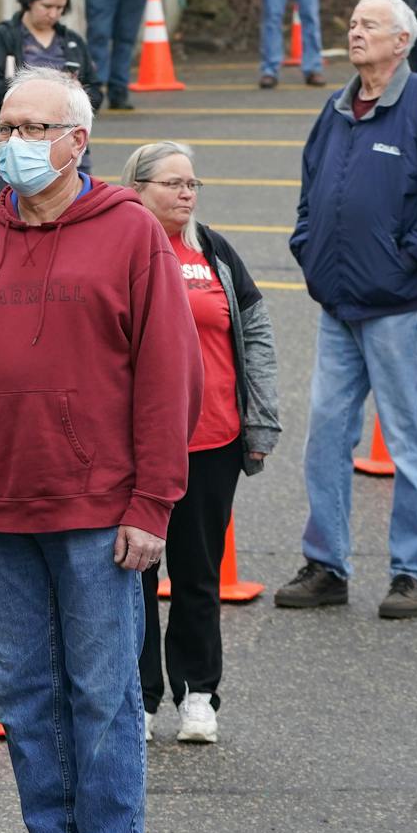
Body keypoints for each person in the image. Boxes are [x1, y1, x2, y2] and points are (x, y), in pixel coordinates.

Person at [0, 67, 202, 833]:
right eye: (5, 123)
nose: (13, 139)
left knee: (103, 697)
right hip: (2, 515)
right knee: (26, 701)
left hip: (98, 515)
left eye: (34, 125)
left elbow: (169, 377)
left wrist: (151, 504)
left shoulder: (129, 235)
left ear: (77, 141)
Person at [279, 0, 417, 620]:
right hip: (339, 305)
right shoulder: (337, 107)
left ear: (403, 41)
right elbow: (311, 190)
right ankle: (327, 564)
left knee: (410, 442)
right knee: (325, 435)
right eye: (352, 20)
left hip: (400, 307)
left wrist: (408, 259)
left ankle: (410, 573)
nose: (353, 30)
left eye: (367, 23)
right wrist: (308, 247)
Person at [122, 142, 280, 746]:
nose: (187, 193)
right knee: (133, 575)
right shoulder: (123, 246)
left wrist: (259, 422)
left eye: (193, 184)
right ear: (137, 187)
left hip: (212, 441)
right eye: (173, 183)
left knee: (196, 574)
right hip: (137, 447)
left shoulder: (213, 250)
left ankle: (197, 694)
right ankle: (137, 697)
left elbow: (257, 333)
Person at [0, 0, 102, 199]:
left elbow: (96, 93)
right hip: (15, 154)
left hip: (68, 154)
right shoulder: (5, 37)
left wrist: (76, 94)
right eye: (47, 7)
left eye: (60, 8)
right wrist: (32, 94)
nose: (53, 14)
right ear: (29, 1)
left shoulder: (72, 42)